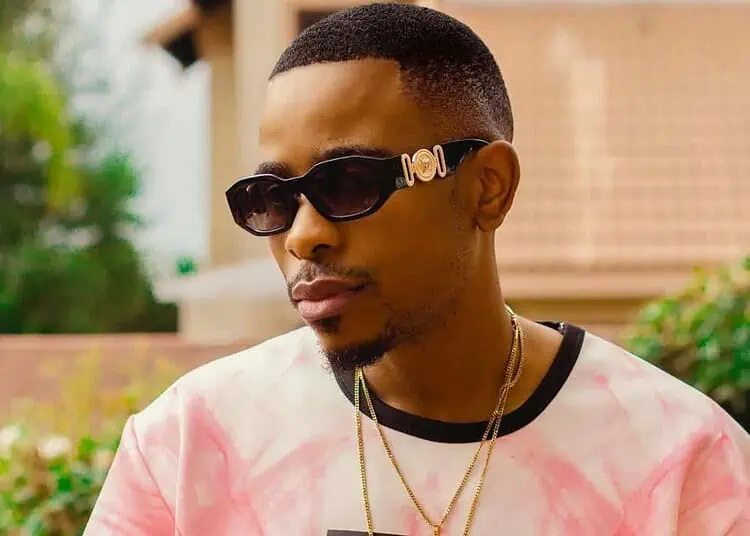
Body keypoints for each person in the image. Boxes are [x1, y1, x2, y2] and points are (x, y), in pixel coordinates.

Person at [84, 3, 750, 535]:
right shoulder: (188, 448)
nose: (303, 237)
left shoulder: (685, 463)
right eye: (272, 199)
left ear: (487, 187)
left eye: (349, 183)